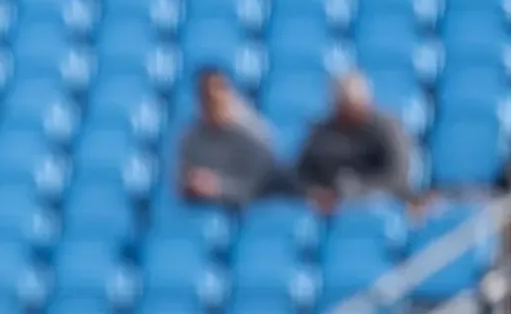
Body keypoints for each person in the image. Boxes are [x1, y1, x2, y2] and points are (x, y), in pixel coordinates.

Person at [295, 72, 414, 212]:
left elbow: (398, 176)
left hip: (382, 206)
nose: (346, 112)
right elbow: (301, 173)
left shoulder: (388, 129)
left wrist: (356, 193)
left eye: (351, 105)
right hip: (330, 208)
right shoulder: (322, 132)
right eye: (341, 105)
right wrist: (315, 192)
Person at [177, 67, 286, 208]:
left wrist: (218, 187)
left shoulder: (253, 136)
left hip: (246, 212)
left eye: (218, 92)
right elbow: (181, 182)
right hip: (201, 210)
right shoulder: (191, 137)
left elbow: (262, 187)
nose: (212, 101)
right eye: (205, 96)